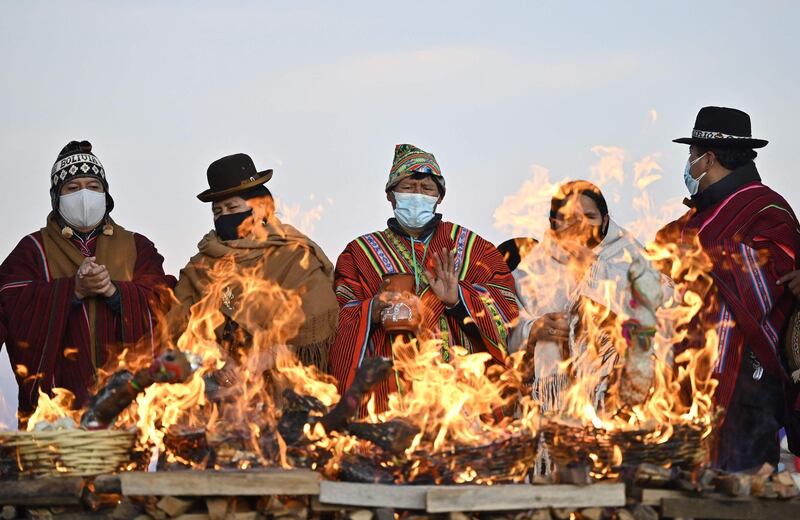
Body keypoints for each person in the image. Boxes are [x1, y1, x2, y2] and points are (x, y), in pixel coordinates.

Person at [656, 106, 800, 471]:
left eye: (692, 154)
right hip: (686, 381)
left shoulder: (766, 208)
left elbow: (774, 281)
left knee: (739, 488)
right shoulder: (694, 221)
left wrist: (696, 259)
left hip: (744, 383)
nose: (689, 163)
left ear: (710, 158)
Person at [329, 144, 519, 412]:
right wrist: (371, 310)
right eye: (408, 188)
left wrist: (458, 299)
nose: (417, 195)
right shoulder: (359, 253)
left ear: (440, 196)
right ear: (390, 195)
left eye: (427, 189)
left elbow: (507, 306)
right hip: (389, 394)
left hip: (462, 394)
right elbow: (337, 318)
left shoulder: (474, 248)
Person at [0, 140, 174, 418]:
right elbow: (10, 302)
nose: (84, 195)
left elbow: (164, 301)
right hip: (54, 413)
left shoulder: (136, 246)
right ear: (57, 198)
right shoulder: (32, 250)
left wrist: (116, 293)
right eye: (72, 188)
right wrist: (71, 291)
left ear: (106, 196)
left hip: (126, 411)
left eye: (93, 187)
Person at [168, 153, 338, 391]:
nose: (224, 216)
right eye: (218, 211)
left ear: (261, 207)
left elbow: (316, 322)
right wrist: (213, 357)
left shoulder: (293, 255)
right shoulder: (200, 265)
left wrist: (265, 358)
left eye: (232, 207)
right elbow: (178, 326)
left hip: (283, 386)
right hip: (216, 394)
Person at [510, 180, 667, 413]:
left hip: (619, 399)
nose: (580, 226)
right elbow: (505, 327)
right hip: (550, 406)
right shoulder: (530, 270)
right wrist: (532, 329)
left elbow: (664, 318)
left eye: (589, 216)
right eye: (569, 218)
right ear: (554, 223)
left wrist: (599, 302)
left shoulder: (631, 258)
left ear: (604, 220)